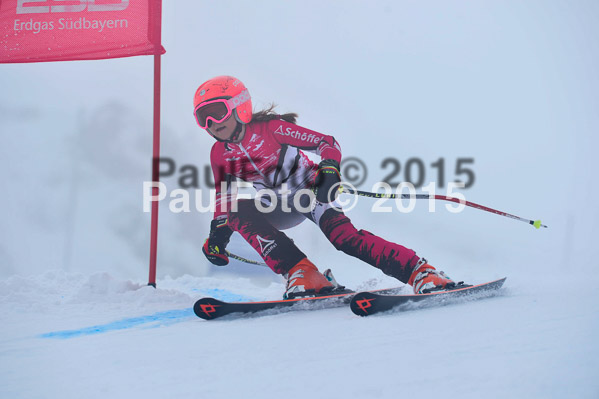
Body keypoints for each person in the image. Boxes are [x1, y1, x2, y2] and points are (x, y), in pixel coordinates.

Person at [195, 75, 456, 299]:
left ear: (239, 106)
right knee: (236, 211)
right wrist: (218, 233)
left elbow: (326, 143)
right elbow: (224, 196)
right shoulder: (220, 153)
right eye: (202, 118)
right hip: (276, 206)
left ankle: (421, 272)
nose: (211, 124)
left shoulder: (271, 129)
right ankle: (303, 273)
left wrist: (330, 169)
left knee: (344, 239)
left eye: (216, 113)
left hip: (312, 192)